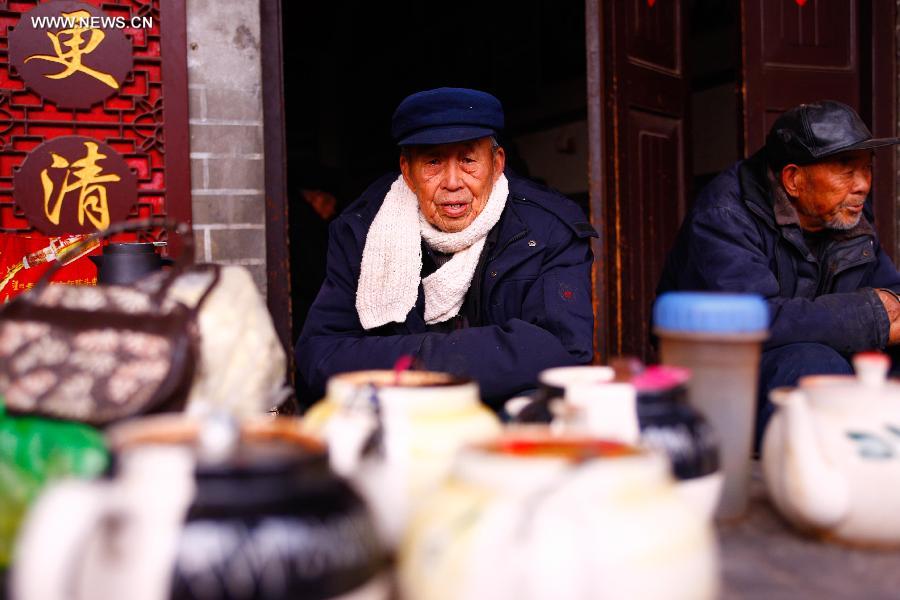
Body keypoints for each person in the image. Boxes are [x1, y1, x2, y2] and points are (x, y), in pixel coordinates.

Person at [295, 87, 597, 409]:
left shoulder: (547, 228)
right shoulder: (361, 231)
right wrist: (453, 358)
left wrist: (408, 360)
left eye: (468, 160)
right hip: (398, 421)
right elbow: (319, 356)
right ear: (408, 172)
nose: (453, 181)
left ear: (496, 165)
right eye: (433, 161)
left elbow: (564, 351)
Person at [657, 100, 900, 435]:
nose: (862, 184)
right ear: (793, 180)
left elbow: (888, 292)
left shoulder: (845, 213)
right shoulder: (724, 217)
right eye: (846, 168)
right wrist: (869, 317)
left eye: (866, 168)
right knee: (815, 365)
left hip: (820, 357)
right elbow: (751, 322)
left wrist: (890, 312)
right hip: (726, 377)